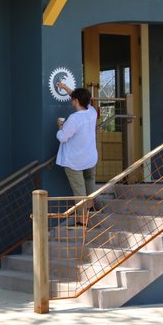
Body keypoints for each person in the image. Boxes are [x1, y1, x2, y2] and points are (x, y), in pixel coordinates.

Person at [55, 84, 98, 223]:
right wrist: (65, 87)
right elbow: (79, 97)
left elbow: (62, 137)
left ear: (76, 101)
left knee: (79, 191)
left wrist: (60, 125)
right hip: (90, 157)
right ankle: (91, 208)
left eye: (73, 99)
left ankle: (82, 221)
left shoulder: (74, 119)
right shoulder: (92, 112)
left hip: (75, 160)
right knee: (90, 180)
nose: (71, 101)